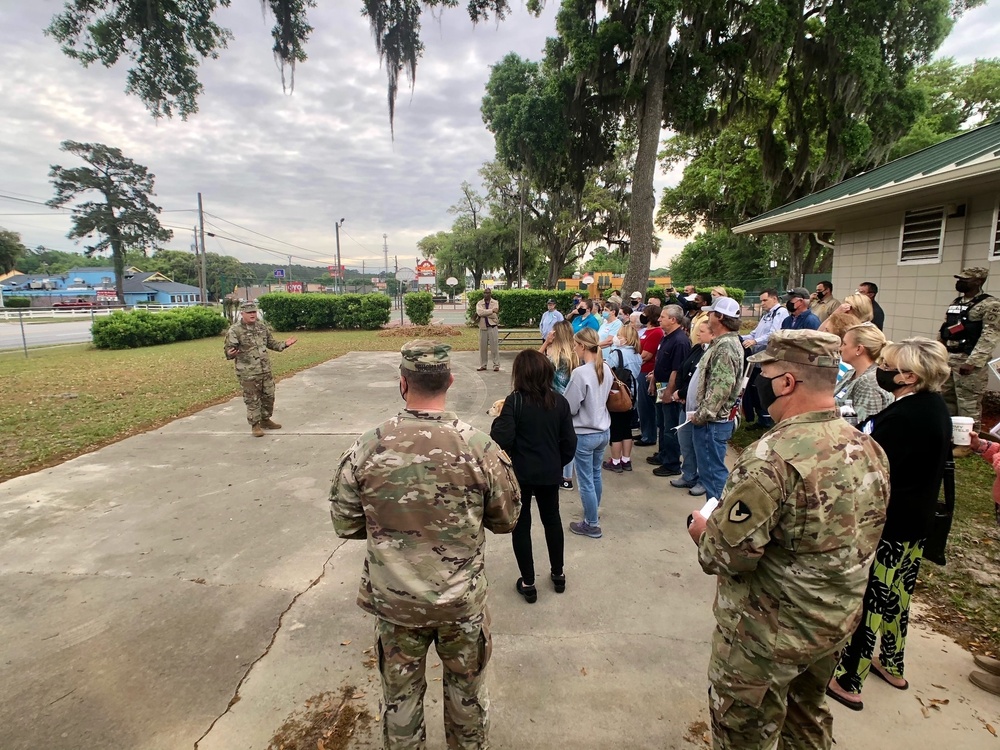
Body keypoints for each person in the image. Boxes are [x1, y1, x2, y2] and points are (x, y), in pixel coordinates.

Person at [688, 330, 891, 749]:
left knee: (744, 732)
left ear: (786, 382)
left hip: (767, 637)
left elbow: (725, 556)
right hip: (832, 625)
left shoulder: (771, 458)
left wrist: (702, 531)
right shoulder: (868, 447)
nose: (757, 381)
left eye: (763, 372)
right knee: (806, 719)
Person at [331, 340, 521, 750]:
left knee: (400, 703)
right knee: (467, 699)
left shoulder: (368, 446)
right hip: (461, 605)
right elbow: (507, 520)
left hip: (396, 606)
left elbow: (345, 522)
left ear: (403, 383)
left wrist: (392, 532)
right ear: (450, 380)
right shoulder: (480, 448)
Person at [828, 337, 952, 711]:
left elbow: (875, 470)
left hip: (892, 522)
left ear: (909, 376)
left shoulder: (904, 416)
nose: (882, 369)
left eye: (888, 365)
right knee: (898, 597)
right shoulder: (934, 407)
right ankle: (893, 662)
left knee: (872, 600)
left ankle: (850, 679)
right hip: (917, 519)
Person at [490, 350, 577, 603]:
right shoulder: (559, 402)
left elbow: (499, 439)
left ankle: (528, 582)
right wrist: (557, 463)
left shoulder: (514, 401)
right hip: (550, 472)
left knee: (522, 525)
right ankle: (558, 573)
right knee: (552, 521)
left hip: (521, 474)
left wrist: (500, 419)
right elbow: (569, 441)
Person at [689, 297, 744, 502]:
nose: (708, 315)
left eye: (711, 313)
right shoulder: (724, 343)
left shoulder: (726, 346)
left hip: (712, 423)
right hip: (712, 422)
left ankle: (717, 520)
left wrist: (702, 415)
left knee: (713, 474)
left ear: (720, 317)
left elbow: (721, 387)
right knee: (711, 472)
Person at [564, 328, 613, 539]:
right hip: (603, 431)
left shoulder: (580, 373)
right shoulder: (606, 369)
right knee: (595, 475)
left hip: (584, 433)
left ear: (583, 346)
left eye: (575, 345)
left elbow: (569, 406)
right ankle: (593, 512)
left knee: (585, 481)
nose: (574, 348)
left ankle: (591, 523)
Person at [939, 266, 1000, 431]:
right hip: (950, 358)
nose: (960, 282)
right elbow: (946, 329)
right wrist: (938, 353)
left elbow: (990, 335)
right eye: (959, 279)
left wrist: (972, 361)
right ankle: (950, 434)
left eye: (965, 279)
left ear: (978, 281)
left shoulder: (990, 304)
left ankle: (968, 441)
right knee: (947, 398)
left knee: (968, 402)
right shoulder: (957, 303)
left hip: (968, 360)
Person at [224, 301, 297, 437]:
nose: (253, 315)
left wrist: (284, 344)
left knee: (269, 396)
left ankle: (265, 420)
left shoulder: (261, 328)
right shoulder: (235, 330)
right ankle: (255, 425)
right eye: (249, 312)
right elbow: (229, 350)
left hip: (265, 370)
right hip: (248, 372)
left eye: (254, 312)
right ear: (242, 314)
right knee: (252, 400)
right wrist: (230, 354)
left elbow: (271, 343)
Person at [670, 319, 714, 496]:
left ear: (712, 334)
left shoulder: (712, 353)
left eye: (702, 331)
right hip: (685, 403)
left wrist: (682, 393)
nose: (698, 334)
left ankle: (704, 480)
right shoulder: (697, 348)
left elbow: (703, 381)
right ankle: (688, 474)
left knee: (701, 446)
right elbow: (683, 369)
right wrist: (679, 391)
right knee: (685, 440)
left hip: (699, 406)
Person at [649, 305, 691, 478]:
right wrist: (653, 380)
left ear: (673, 320)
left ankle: (672, 463)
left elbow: (676, 370)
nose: (659, 319)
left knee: (670, 426)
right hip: (660, 384)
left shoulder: (680, 341)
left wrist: (669, 391)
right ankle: (663, 453)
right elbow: (660, 361)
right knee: (662, 423)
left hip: (669, 386)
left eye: (663, 317)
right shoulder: (667, 337)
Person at [539, 320, 580, 490]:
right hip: (571, 400)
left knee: (552, 440)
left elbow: (534, 362)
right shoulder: (575, 353)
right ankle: (567, 477)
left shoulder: (553, 356)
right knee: (567, 437)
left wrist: (546, 342)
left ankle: (554, 473)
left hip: (553, 400)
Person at [742, 289, 789, 430]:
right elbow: (755, 332)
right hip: (758, 359)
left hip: (770, 358)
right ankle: (761, 418)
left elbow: (774, 334)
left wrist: (755, 341)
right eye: (761, 300)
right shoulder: (766, 314)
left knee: (766, 388)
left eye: (764, 300)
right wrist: (740, 338)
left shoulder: (780, 312)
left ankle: (769, 420)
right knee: (756, 388)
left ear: (774, 299)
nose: (761, 303)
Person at [834, 323, 892, 424]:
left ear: (859, 349)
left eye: (844, 344)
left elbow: (863, 427)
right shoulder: (851, 373)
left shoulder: (869, 382)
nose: (840, 348)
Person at [605, 324, 643, 473]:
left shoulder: (616, 354)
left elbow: (607, 370)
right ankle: (626, 459)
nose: (617, 338)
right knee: (626, 429)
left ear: (626, 339)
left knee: (615, 429)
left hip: (618, 395)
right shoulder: (637, 355)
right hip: (632, 395)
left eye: (619, 336)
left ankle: (615, 461)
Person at [634, 305, 663, 447]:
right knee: (641, 405)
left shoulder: (656, 332)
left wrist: (636, 357)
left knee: (647, 405)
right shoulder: (647, 331)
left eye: (645, 313)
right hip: (641, 369)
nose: (642, 316)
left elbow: (647, 354)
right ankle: (645, 430)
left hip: (647, 371)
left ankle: (649, 435)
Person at [476, 288, 501, 372]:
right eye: (485, 293)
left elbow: (494, 315)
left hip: (492, 327)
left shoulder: (495, 302)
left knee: (494, 347)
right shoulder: (480, 303)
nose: (486, 294)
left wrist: (485, 313)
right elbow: (479, 313)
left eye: (488, 293)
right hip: (483, 327)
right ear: (483, 294)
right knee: (482, 347)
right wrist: (491, 311)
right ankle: (483, 365)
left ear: (490, 294)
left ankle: (496, 365)